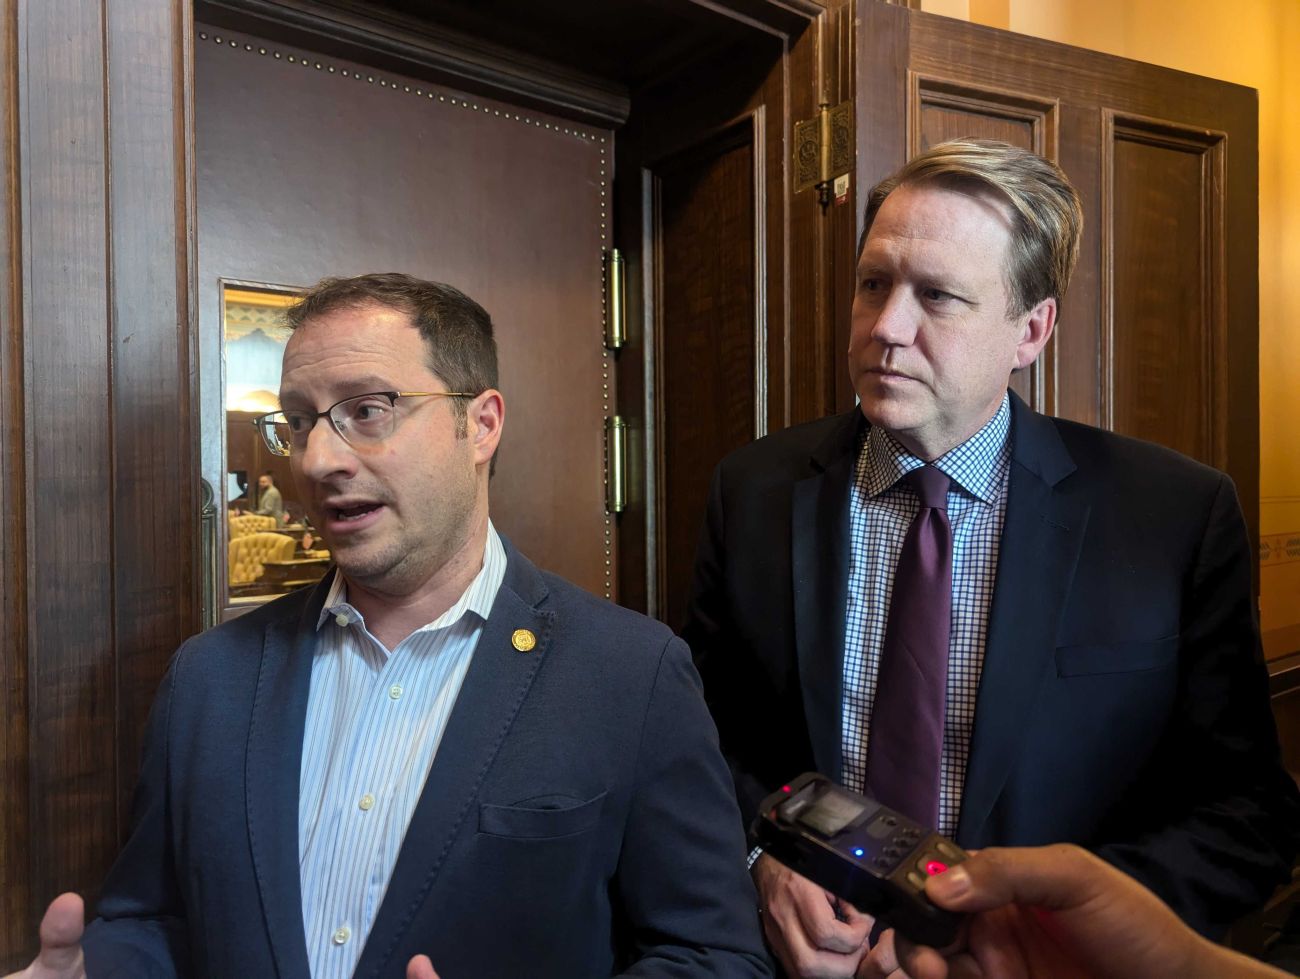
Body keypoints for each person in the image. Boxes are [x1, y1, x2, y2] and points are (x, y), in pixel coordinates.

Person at [10, 273, 770, 979]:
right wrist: (98, 966)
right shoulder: (208, 678)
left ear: (481, 424)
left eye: (366, 411)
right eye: (300, 421)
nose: (317, 459)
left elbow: (713, 954)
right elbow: (157, 919)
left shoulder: (631, 674)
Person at [681, 138, 1300, 978]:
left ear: (1030, 329)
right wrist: (761, 861)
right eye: (873, 284)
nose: (886, 327)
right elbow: (703, 742)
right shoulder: (750, 492)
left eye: (937, 295)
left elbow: (1246, 813)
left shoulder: (1171, 517)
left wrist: (1048, 933)